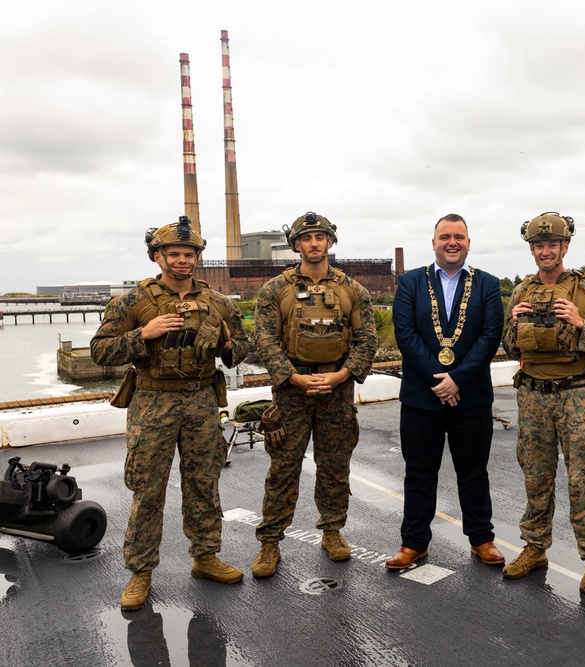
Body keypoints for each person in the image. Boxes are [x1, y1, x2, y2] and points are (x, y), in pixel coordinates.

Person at [91, 216, 251, 611]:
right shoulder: (132, 302)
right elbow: (100, 351)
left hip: (200, 401)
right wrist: (143, 334)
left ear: (197, 256)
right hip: (152, 402)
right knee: (148, 488)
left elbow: (244, 347)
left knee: (204, 483)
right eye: (174, 253)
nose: (182, 260)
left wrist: (228, 345)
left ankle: (206, 557)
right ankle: (140, 571)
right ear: (157, 256)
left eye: (189, 253)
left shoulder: (217, 303)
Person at [501, 212, 585, 594]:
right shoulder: (522, 291)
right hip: (533, 395)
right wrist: (514, 321)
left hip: (575, 395)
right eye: (538, 245)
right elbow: (509, 347)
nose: (545, 251)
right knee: (536, 476)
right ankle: (535, 547)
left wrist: (580, 324)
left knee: (584, 478)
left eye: (551, 244)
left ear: (565, 246)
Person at [250, 212, 377, 578]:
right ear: (296, 245)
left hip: (336, 391)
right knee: (283, 469)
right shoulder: (275, 289)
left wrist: (340, 376)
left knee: (335, 466)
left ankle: (332, 531)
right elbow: (265, 339)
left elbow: (367, 339)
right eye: (307, 238)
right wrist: (292, 377)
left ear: (330, 242)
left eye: (320, 236)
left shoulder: (353, 290)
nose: (314, 243)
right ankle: (270, 541)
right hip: (292, 392)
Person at [386, 213, 505, 570]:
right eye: (445, 236)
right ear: (434, 242)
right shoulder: (409, 283)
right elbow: (405, 334)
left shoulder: (488, 284)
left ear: (469, 243)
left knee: (474, 472)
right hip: (422, 398)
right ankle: (414, 544)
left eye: (459, 236)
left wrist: (459, 380)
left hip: (471, 397)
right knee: (419, 473)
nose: (452, 242)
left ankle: (482, 539)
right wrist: (440, 382)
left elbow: (490, 336)